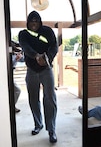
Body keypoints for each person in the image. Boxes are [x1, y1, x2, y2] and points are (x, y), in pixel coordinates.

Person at [18, 11, 58, 143]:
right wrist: (36, 56)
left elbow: (54, 46)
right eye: (31, 21)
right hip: (31, 71)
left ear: (40, 22)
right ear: (28, 23)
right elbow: (25, 47)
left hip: (46, 69)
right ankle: (38, 124)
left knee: (50, 99)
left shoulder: (47, 31)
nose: (34, 23)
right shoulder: (23, 34)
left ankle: (51, 129)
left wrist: (47, 58)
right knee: (33, 99)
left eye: (36, 21)